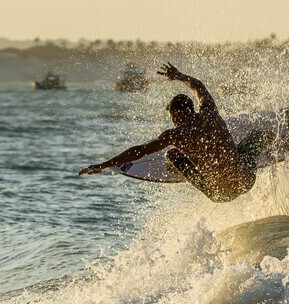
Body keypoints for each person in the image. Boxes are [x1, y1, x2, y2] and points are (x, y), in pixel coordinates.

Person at [77, 63, 274, 202]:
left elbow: (139, 152)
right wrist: (178, 76)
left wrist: (104, 164)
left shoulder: (174, 136)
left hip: (219, 195)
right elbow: (199, 86)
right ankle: (272, 141)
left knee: (171, 154)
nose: (172, 120)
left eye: (171, 116)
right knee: (256, 136)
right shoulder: (210, 113)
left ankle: (177, 167)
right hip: (245, 182)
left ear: (177, 114)